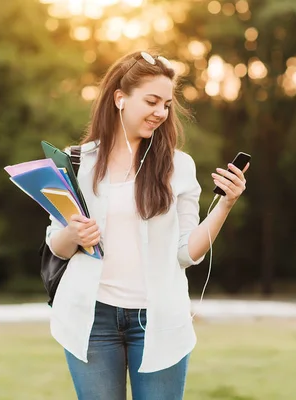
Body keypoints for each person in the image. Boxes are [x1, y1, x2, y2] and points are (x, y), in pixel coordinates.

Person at [45, 50, 249, 400]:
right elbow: (55, 245)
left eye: (167, 104)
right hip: (92, 320)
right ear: (120, 98)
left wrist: (226, 204)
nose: (161, 112)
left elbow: (187, 253)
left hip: (158, 320)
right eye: (152, 101)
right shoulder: (77, 161)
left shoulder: (177, 166)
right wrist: (73, 234)